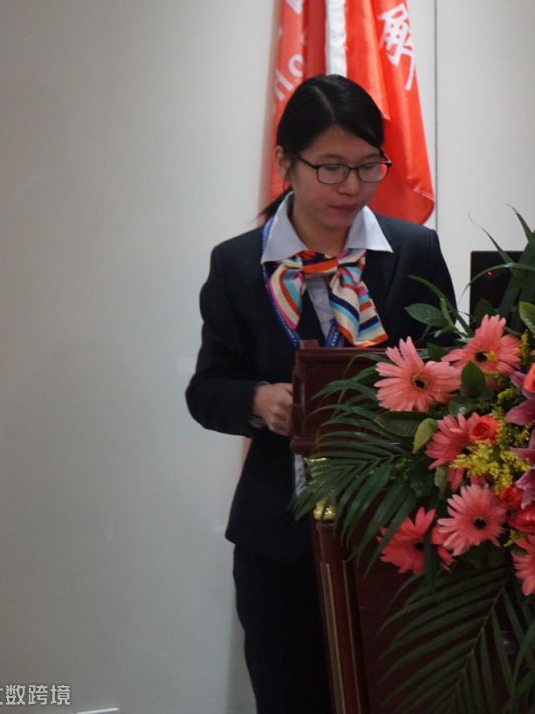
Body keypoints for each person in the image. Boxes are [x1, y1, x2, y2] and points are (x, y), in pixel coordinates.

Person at [186, 74, 455, 714]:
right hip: (280, 533)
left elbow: (451, 365)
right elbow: (207, 389)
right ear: (286, 163)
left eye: (367, 167)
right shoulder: (238, 264)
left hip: (397, 524)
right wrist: (260, 402)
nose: (350, 187)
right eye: (330, 168)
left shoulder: (412, 250)